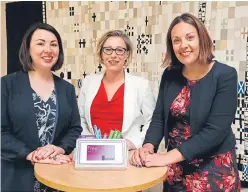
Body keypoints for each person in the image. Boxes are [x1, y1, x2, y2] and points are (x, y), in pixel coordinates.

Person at [130, 13, 241, 191]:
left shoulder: (225, 75)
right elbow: (159, 118)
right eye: (176, 40)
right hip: (176, 169)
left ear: (201, 38)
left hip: (213, 169)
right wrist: (148, 146)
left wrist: (166, 157)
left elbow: (216, 131)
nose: (183, 45)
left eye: (190, 37)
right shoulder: (170, 75)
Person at [1, 23, 82, 192]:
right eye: (40, 43)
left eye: (54, 44)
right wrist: (31, 154)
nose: (48, 49)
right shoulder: (7, 85)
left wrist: (59, 148)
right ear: (28, 48)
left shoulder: (67, 89)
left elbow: (74, 129)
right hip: (17, 176)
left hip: (58, 177)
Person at [78, 30, 155, 149]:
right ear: (101, 54)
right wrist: (89, 142)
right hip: (93, 151)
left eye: (119, 50)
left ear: (126, 55)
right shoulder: (88, 82)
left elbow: (152, 121)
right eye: (108, 50)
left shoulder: (141, 85)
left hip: (127, 153)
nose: (113, 55)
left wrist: (132, 143)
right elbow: (80, 119)